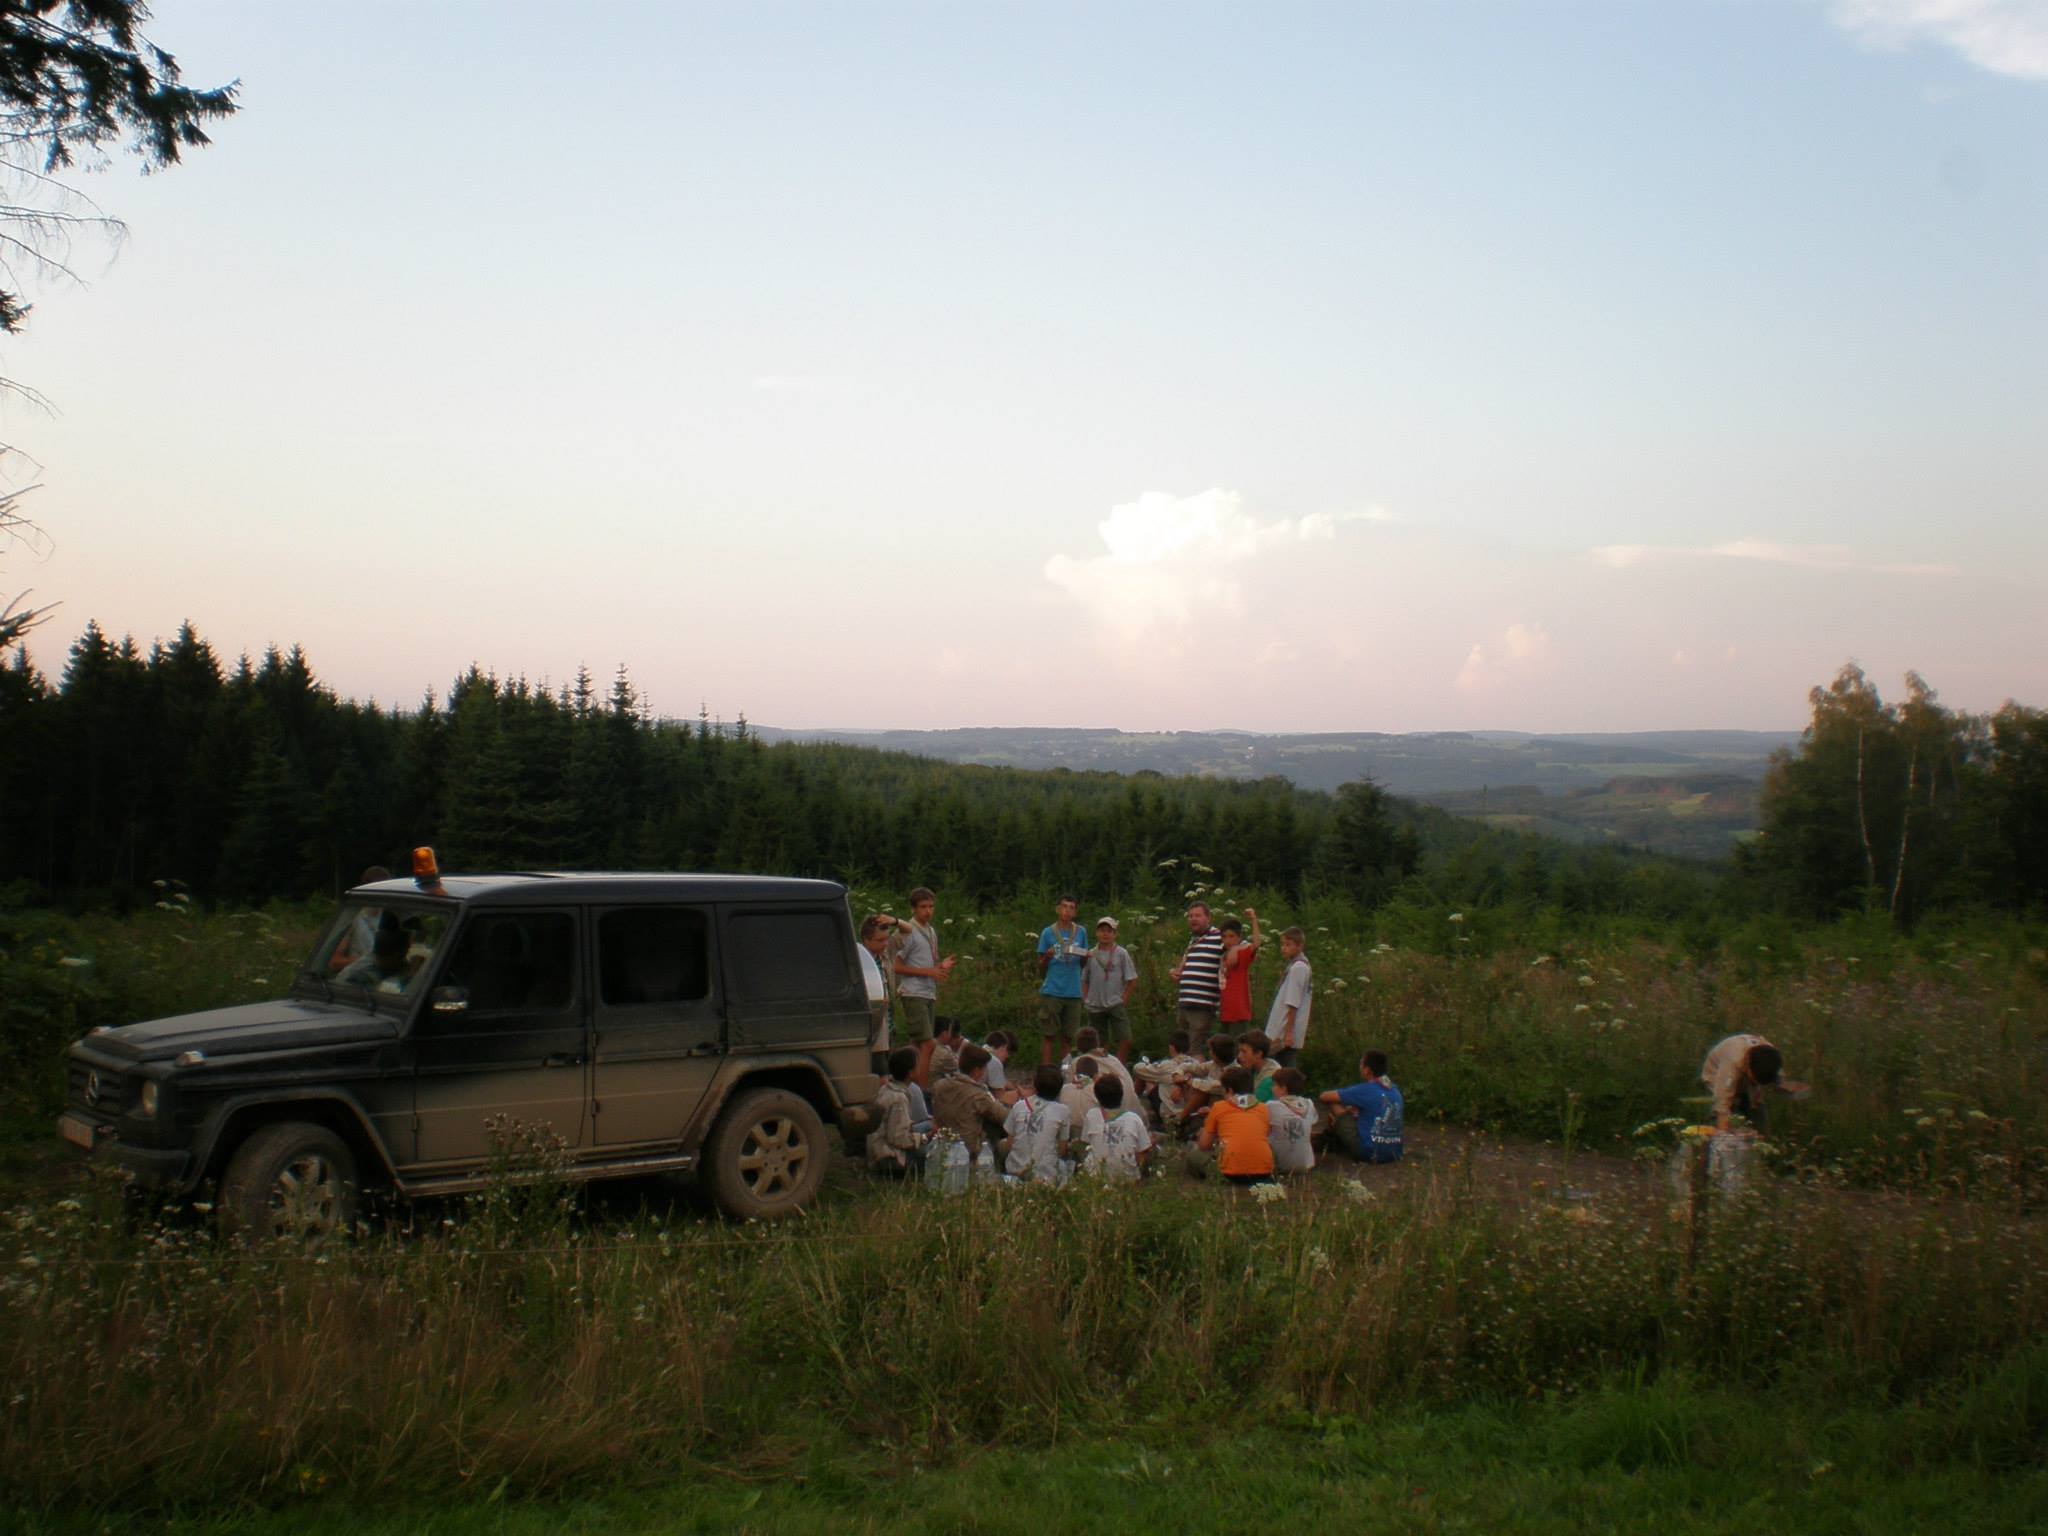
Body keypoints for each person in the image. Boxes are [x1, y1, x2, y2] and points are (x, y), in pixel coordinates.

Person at [892, 887, 956, 1086]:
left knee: (917, 1042)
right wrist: (930, 972)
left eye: (930, 906)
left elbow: (927, 963)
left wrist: (939, 967)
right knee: (928, 1043)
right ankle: (921, 1087)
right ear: (913, 909)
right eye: (923, 907)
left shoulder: (931, 931)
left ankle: (909, 1083)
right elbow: (897, 966)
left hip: (928, 992)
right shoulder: (908, 932)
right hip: (913, 991)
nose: (927, 911)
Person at [1700, 1034, 1808, 1133]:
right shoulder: (1733, 1061)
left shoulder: (1770, 1056)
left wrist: (1786, 1087)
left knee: (1759, 1122)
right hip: (1717, 1078)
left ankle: (1759, 1146)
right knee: (1724, 1122)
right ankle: (1710, 1147)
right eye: (1754, 1081)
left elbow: (1778, 1079)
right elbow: (1722, 1101)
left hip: (1747, 1081)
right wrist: (1723, 1135)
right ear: (1748, 1066)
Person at [931, 1043, 1017, 1157]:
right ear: (977, 1071)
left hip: (944, 1143)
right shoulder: (978, 1095)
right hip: (970, 1151)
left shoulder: (939, 1086)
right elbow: (1005, 1117)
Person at [1320, 1050, 1404, 1164]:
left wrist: (1347, 1108)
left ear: (1367, 1070)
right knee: (1358, 1109)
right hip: (1394, 1152)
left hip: (1367, 1152)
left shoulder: (1365, 1090)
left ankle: (1328, 1141)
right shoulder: (1394, 1089)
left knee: (1334, 1103)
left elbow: (1324, 1096)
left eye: (1361, 1064)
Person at [1196, 1065, 1275, 1184]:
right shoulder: (1263, 1108)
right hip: (1263, 1173)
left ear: (1230, 1090)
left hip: (1230, 1173)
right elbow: (1265, 1134)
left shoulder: (1219, 1106)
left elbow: (1204, 1145)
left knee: (1194, 1156)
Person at [1036, 895, 1090, 1065]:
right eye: (1064, 906)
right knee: (1048, 1035)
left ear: (1075, 912)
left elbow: (1084, 962)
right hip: (1052, 989)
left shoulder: (1081, 932)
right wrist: (1047, 956)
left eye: (1071, 907)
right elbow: (1040, 966)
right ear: (1058, 909)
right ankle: (1045, 1072)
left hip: (1073, 991)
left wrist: (1082, 954)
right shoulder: (1048, 932)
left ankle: (1065, 1071)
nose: (1067, 910)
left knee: (1068, 1037)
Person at [1003, 1064, 1074, 1185]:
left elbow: (1010, 1144)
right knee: (1065, 1165)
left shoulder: (1019, 1106)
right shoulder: (1063, 1111)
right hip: (1045, 1177)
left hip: (1014, 1171)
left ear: (1035, 1085)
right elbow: (1062, 1150)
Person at [1081, 917, 1138, 1064]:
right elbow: (1084, 979)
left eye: (1109, 931)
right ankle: (1103, 1068)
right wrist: (1085, 997)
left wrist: (1124, 998)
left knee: (1126, 1038)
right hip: (1095, 1004)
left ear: (1115, 934)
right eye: (1102, 931)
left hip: (1115, 1002)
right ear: (1096, 933)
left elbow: (1132, 979)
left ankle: (1118, 1068)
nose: (1105, 934)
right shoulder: (1090, 954)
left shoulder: (1121, 953)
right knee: (1099, 1043)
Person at [866, 1046, 928, 1177]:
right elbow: (898, 1138)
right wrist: (923, 1138)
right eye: (918, 1065)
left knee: (927, 1126)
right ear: (910, 1072)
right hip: (888, 1159)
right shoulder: (899, 1098)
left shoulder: (886, 1089)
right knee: (931, 1155)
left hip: (879, 1150)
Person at [1170, 902, 1226, 1041]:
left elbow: (1243, 948)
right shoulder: (1193, 941)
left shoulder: (1219, 937)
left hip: (1203, 1004)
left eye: (1198, 916)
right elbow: (1182, 968)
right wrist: (1174, 972)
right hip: (1185, 1002)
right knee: (1182, 1047)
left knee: (1194, 1047)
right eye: (1190, 916)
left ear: (1208, 918)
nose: (1193, 919)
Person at [1080, 1076, 1152, 1182]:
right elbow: (1144, 1151)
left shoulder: (1092, 1115)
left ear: (1097, 1096)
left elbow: (1086, 1142)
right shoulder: (1133, 1118)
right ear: (1122, 1094)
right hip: (1127, 1179)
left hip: (1096, 1178)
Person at [1265, 926, 1314, 1071]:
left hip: (1284, 1030)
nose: (1284, 948)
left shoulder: (1299, 968)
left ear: (1299, 946)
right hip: (1283, 1028)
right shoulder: (1295, 965)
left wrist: (1289, 1032)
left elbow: (1293, 1002)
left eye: (1288, 945)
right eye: (1282, 944)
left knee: (1284, 1070)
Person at [1134, 1029, 1203, 1129]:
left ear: (1172, 1047)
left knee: (1146, 1077)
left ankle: (1132, 1107)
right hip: (1190, 1110)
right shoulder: (1196, 1063)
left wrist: (1148, 1065)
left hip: (1172, 1112)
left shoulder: (1167, 1065)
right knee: (1161, 1081)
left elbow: (1137, 1069)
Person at [857, 913, 897, 1074]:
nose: (885, 944)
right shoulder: (860, 960)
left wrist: (894, 921)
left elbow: (908, 931)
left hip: (887, 1021)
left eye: (886, 939)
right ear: (866, 940)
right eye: (880, 940)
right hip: (873, 1026)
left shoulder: (884, 958)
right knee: (879, 1072)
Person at [1063, 1024, 1136, 1106]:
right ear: (1097, 1042)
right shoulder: (1114, 1060)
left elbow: (1069, 1090)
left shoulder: (1077, 1063)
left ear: (1078, 1044)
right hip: (1128, 1105)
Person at [1264, 1067, 1317, 1176]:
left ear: (1283, 1088)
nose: (1271, 1089)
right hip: (1307, 1164)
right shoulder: (1309, 1104)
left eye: (1274, 1085)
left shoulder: (1272, 1106)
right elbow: (1312, 1123)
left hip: (1281, 1166)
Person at [1216, 908, 1263, 1030]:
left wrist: (1253, 919)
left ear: (1239, 937)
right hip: (1225, 1013)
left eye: (1232, 936)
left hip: (1238, 1014)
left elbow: (1256, 944)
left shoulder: (1240, 955)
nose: (1228, 940)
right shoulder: (1223, 956)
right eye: (1224, 936)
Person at [1235, 1029, 1280, 1103]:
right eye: (1239, 1051)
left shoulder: (1270, 1078)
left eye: (1244, 1052)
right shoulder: (1258, 1068)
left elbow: (1247, 1103)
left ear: (1258, 1053)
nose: (1239, 1056)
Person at [1058, 1054, 1102, 1128]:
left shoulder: (1064, 1089)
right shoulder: (1098, 1090)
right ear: (1096, 1076)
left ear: (1075, 1073)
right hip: (1087, 1132)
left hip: (1066, 1131)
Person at [928, 1017, 965, 1084]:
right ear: (944, 1033)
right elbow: (960, 1068)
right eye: (950, 1032)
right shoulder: (943, 1053)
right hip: (932, 1091)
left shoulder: (925, 1045)